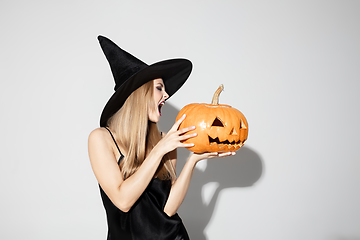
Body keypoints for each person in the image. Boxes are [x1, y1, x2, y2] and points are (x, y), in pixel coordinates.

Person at [88, 35, 235, 240]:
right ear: (139, 93)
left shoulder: (165, 140)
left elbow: (168, 208)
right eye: (159, 88)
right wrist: (159, 150)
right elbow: (123, 200)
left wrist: (193, 160)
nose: (166, 95)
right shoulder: (101, 138)